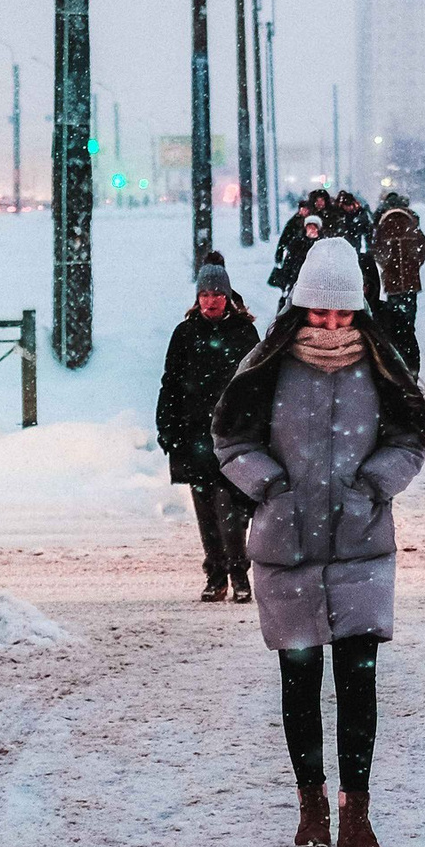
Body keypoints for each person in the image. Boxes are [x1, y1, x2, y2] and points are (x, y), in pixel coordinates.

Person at [212, 237, 425, 847]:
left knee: (358, 685)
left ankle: (356, 814)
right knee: (300, 681)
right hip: (286, 547)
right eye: (319, 312)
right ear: (299, 309)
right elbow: (231, 441)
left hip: (362, 546)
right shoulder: (267, 365)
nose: (332, 324)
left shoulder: (382, 364)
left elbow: (410, 440)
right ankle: (311, 807)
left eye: (342, 313)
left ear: (358, 309)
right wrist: (271, 486)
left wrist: (372, 486)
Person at [156, 257, 261, 602]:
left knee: (233, 506)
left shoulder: (243, 332)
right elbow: (170, 383)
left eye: (217, 294)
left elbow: (256, 383)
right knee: (205, 507)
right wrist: (167, 427)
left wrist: (257, 426)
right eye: (204, 294)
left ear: (227, 296)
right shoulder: (185, 333)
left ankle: (239, 574)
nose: (210, 300)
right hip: (194, 433)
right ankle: (215, 575)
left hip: (233, 433)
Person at [371, 191, 425, 371]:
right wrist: (415, 263)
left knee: (395, 319)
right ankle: (409, 353)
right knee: (409, 319)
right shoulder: (410, 222)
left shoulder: (384, 223)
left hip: (393, 281)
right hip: (411, 280)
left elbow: (376, 249)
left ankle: (400, 353)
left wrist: (386, 264)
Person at [270, 211, 326, 295]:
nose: (311, 230)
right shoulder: (297, 242)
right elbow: (289, 263)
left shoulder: (323, 244)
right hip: (297, 279)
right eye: (309, 227)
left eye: (314, 227)